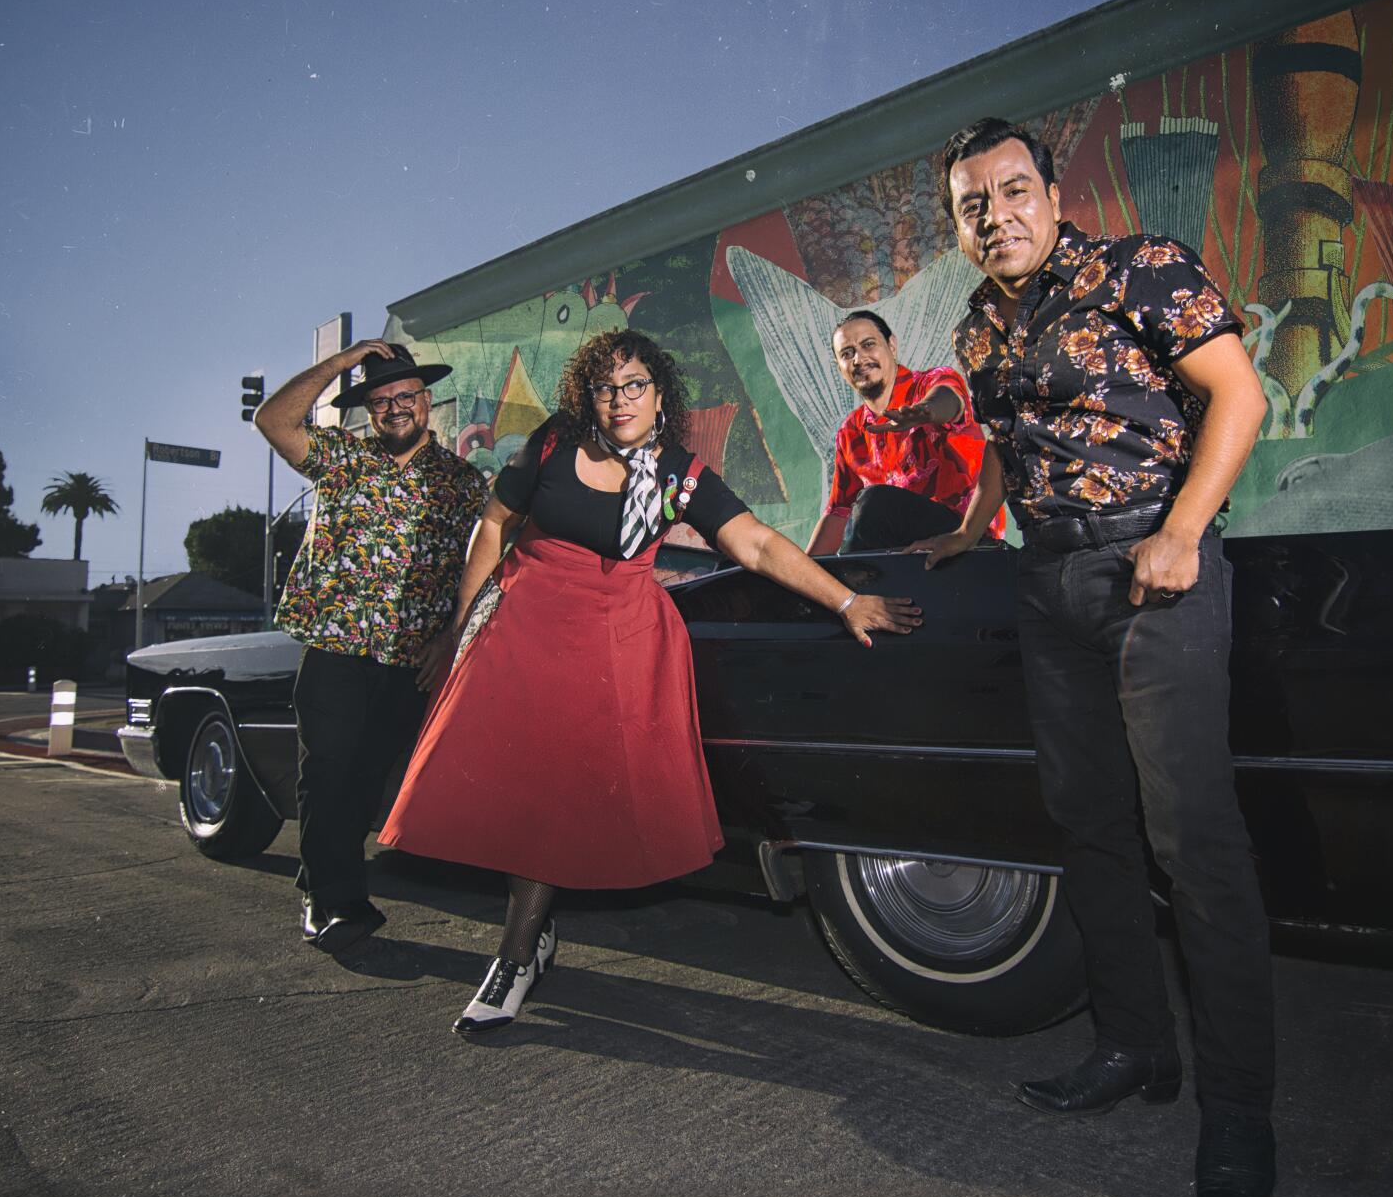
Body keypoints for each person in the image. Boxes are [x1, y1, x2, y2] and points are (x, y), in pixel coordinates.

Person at [908, 118, 1277, 1197]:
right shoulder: (978, 327)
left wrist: (1178, 536)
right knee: (1087, 827)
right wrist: (974, 527)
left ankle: (1238, 1109)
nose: (995, 215)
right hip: (1047, 584)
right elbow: (1006, 440)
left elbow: (1238, 396)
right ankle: (1129, 1045)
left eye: (1012, 190)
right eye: (971, 204)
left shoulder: (1135, 268)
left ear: (1054, 193)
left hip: (1152, 572)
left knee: (1193, 838)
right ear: (957, 224)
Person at [378, 328, 920, 1037]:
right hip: (526, 628)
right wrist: (457, 627)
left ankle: (519, 949)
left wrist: (846, 600)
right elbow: (493, 527)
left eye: (634, 384)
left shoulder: (678, 474)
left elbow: (753, 542)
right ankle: (525, 943)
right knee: (518, 793)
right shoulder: (552, 443)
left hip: (614, 639)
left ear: (659, 392)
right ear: (587, 396)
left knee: (562, 798)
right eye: (605, 387)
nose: (619, 399)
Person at [254, 340, 486, 953]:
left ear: (427, 402)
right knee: (328, 772)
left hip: (410, 659)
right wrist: (344, 362)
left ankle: (325, 881)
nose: (394, 408)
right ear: (367, 411)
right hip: (334, 647)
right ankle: (334, 902)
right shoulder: (339, 458)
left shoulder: (462, 484)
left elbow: (482, 568)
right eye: (379, 400)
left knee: (364, 780)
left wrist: (451, 637)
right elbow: (272, 420)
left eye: (404, 395)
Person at [804, 309, 1005, 555]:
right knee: (867, 511)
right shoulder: (850, 432)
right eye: (847, 354)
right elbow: (839, 512)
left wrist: (925, 411)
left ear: (892, 345)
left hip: (967, 544)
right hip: (907, 558)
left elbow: (950, 400)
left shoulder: (931, 384)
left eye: (868, 345)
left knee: (875, 504)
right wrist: (804, 579)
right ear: (840, 368)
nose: (858, 359)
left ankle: (852, 581)